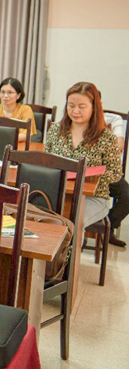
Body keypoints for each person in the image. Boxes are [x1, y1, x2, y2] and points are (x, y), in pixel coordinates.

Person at [44, 82, 123, 230]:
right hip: (59, 192)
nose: (75, 111)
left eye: (82, 106)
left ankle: (70, 252)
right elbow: (46, 162)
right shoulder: (55, 130)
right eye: (71, 105)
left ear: (94, 107)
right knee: (39, 216)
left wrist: (90, 177)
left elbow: (115, 174)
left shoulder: (106, 137)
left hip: (93, 197)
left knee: (73, 220)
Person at [101, 96, 128, 247]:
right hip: (83, 171)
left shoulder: (112, 119)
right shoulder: (75, 119)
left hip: (107, 171)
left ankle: (107, 228)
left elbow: (119, 147)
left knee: (127, 196)